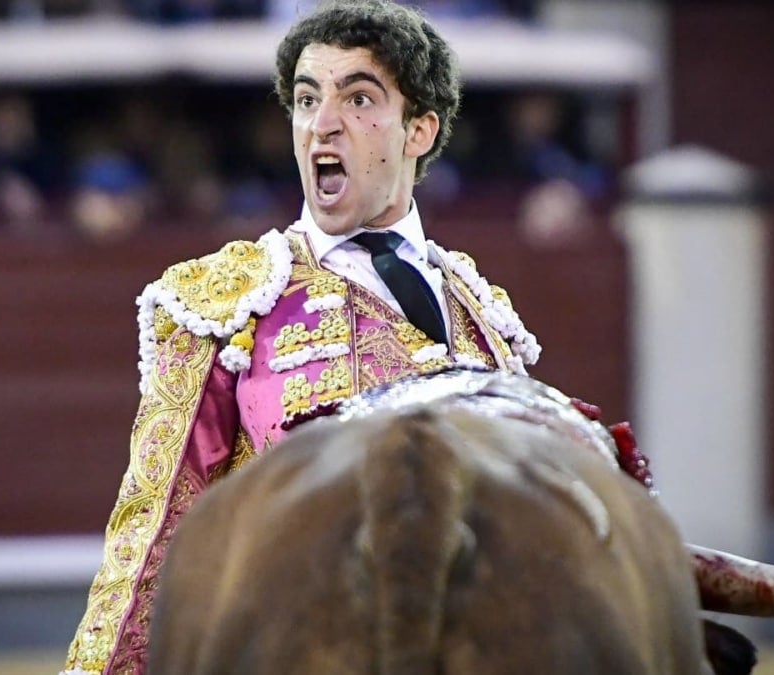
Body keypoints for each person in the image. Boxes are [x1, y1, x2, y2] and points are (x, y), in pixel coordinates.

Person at [61, 2, 542, 673]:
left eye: (359, 98)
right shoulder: (227, 303)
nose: (323, 123)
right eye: (308, 99)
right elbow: (152, 537)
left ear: (419, 130)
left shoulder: (485, 314)